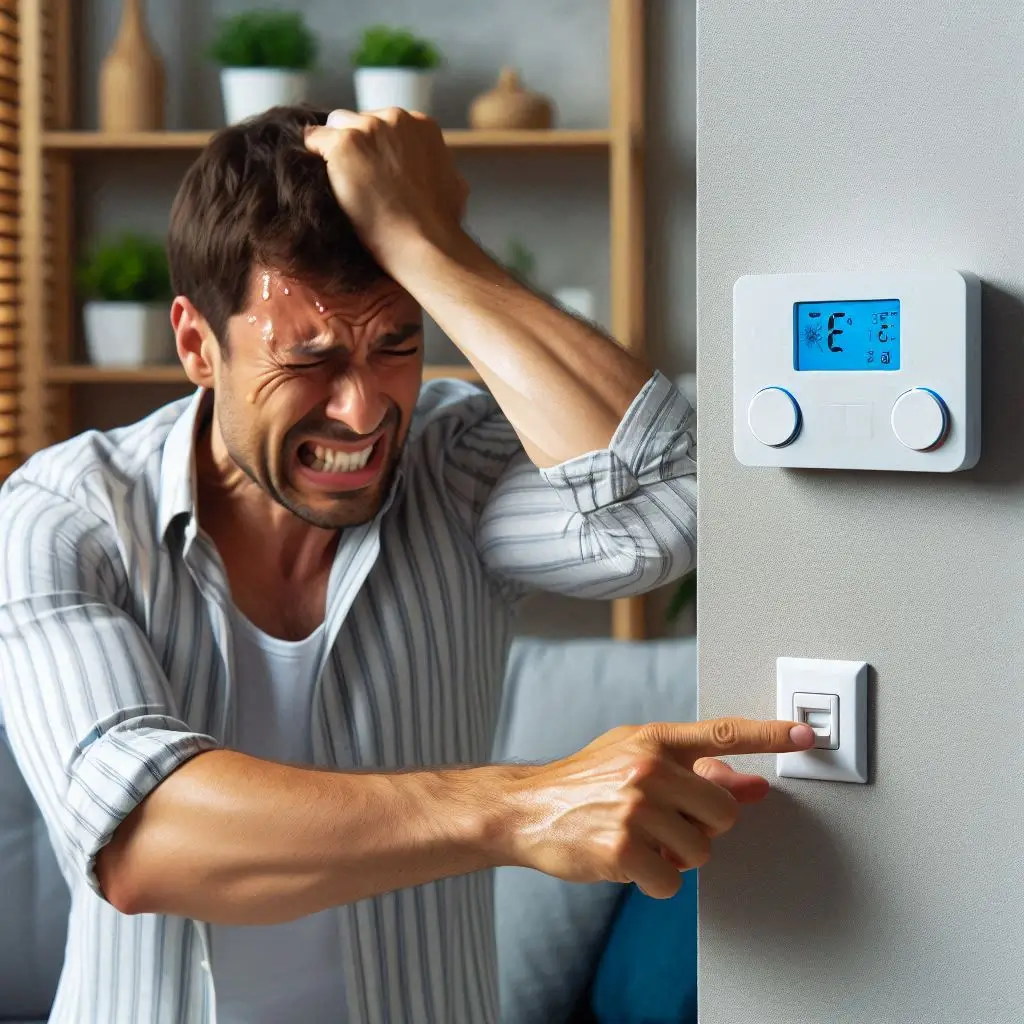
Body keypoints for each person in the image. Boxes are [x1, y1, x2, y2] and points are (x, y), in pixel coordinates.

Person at [0, 105, 814, 1024]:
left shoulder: (451, 467)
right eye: (306, 359)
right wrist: (523, 807)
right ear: (196, 344)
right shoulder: (67, 517)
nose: (362, 411)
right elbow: (143, 839)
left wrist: (427, 239)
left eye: (396, 344)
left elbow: (672, 505)